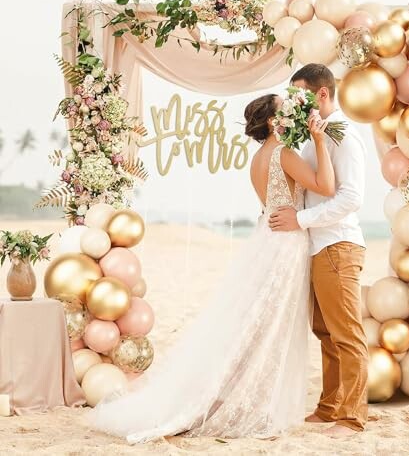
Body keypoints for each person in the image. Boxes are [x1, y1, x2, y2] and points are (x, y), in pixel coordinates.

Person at [88, 93, 336, 444]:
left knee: (256, 325)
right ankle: (248, 402)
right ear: (272, 121)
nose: (293, 113)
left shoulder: (259, 158)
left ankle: (239, 395)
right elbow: (326, 186)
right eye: (286, 109)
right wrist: (320, 142)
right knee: (270, 328)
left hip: (268, 238)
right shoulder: (284, 154)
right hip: (285, 244)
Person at [269, 63, 368, 438]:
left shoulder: (343, 135)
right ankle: (329, 407)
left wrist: (302, 219)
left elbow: (351, 198)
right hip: (317, 246)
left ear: (321, 94)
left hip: (338, 244)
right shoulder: (315, 136)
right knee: (325, 333)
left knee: (347, 334)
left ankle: (352, 416)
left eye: (299, 94)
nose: (294, 101)